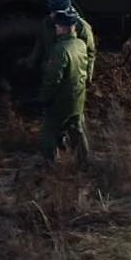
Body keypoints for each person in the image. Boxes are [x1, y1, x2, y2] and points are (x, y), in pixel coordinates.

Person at [39, 9, 92, 165]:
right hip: (78, 97)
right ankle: (84, 162)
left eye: (57, 26)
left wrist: (44, 98)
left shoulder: (60, 50)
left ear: (63, 27)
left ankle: (50, 165)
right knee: (77, 130)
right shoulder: (81, 44)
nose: (55, 28)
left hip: (61, 101)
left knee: (48, 134)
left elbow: (53, 79)